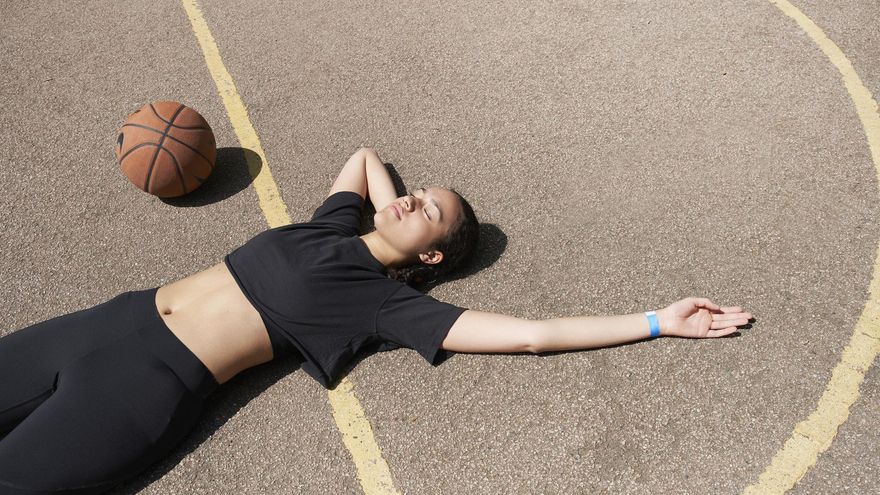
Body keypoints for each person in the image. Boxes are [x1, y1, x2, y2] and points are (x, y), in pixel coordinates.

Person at [0, 147, 752, 493]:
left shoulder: (382, 303)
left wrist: (658, 319)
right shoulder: (331, 226)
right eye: (419, 189)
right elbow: (362, 157)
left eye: (429, 210)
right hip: (99, 324)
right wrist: (396, 216)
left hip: (141, 389)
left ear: (433, 258)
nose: (410, 198)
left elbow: (530, 332)